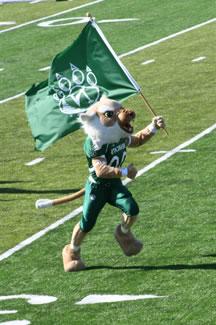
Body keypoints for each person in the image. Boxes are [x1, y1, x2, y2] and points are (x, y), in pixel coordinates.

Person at [62, 96, 165, 271]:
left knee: (132, 209)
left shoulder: (119, 136)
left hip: (114, 184)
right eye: (112, 114)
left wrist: (153, 127)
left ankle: (123, 233)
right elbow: (101, 169)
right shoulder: (95, 141)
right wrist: (125, 172)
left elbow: (137, 139)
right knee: (87, 223)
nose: (121, 115)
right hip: (98, 186)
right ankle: (72, 251)